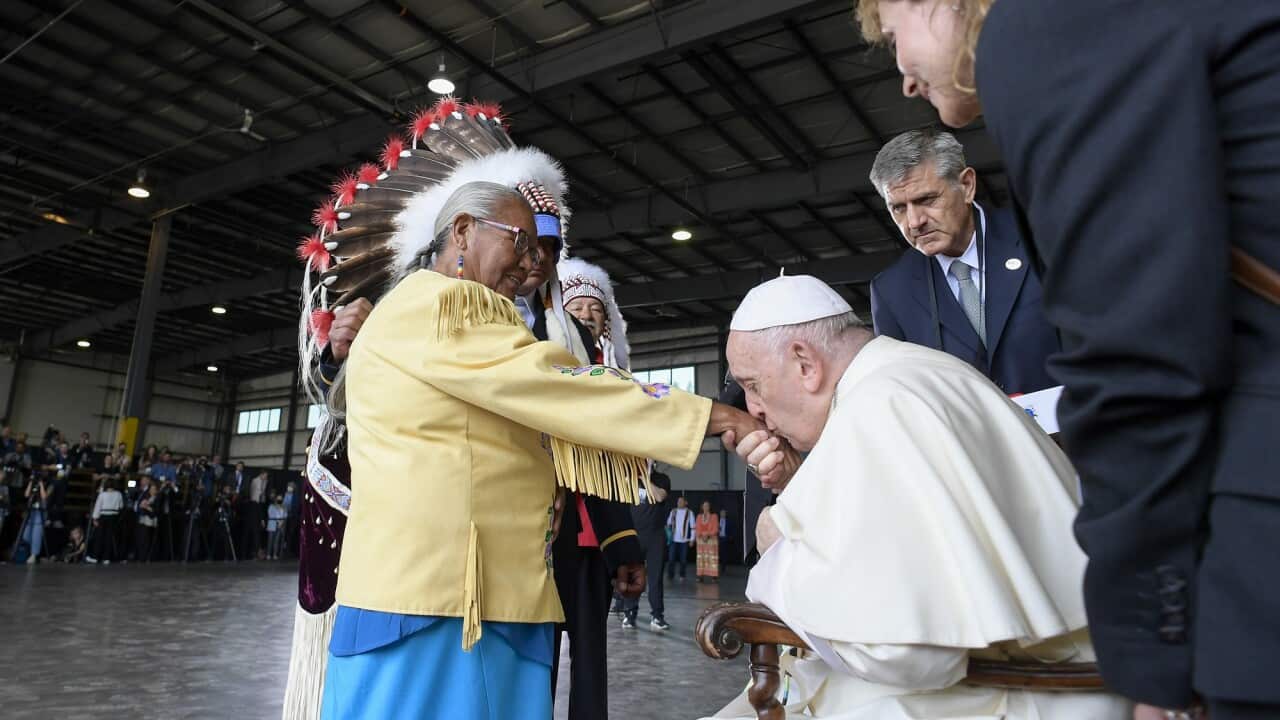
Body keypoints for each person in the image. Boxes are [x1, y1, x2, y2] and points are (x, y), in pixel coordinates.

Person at [857, 2, 1280, 717]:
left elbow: (1142, 355)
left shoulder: (1051, 26)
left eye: (893, 35)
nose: (901, 74)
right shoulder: (893, 288)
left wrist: (1151, 660)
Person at [316, 166, 758, 719]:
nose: (532, 264)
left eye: (542, 250)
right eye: (521, 243)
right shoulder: (443, 307)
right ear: (461, 230)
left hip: (469, 598)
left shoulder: (437, 313)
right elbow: (557, 387)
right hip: (446, 608)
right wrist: (709, 416)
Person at [706, 274, 1128, 719]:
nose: (753, 408)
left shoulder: (880, 407)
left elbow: (903, 653)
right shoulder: (917, 373)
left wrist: (779, 551)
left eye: (754, 385)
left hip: (1018, 696)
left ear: (805, 364)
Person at [868, 128, 1057, 395]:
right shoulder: (891, 291)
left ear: (967, 186)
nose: (914, 222)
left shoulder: (1040, 238)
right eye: (898, 208)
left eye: (926, 199)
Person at [546, 257, 645, 720]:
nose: (586, 314)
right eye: (576, 306)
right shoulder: (544, 367)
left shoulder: (617, 381)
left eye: (595, 309)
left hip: (596, 541)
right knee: (537, 656)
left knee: (590, 656)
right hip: (545, 536)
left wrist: (625, 546)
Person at [623, 466, 672, 631]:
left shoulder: (662, 479)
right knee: (632, 575)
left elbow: (659, 496)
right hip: (634, 535)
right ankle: (629, 613)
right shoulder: (629, 479)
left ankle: (657, 616)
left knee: (655, 577)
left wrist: (645, 477)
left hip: (655, 537)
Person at [87, 477, 123, 565]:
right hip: (113, 516)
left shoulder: (102, 494)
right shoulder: (118, 494)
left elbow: (97, 507)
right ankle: (106, 558)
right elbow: (121, 506)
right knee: (109, 537)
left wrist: (95, 518)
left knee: (99, 537)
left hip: (103, 516)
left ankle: (95, 557)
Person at [18, 473, 50, 563]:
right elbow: (26, 494)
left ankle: (34, 555)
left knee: (37, 533)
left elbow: (44, 497)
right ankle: (29, 551)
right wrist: (31, 482)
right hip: (30, 511)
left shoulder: (48, 485)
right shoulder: (32, 485)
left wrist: (41, 484)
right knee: (26, 534)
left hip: (40, 511)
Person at [666, 496, 695, 581]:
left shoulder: (689, 513)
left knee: (683, 560)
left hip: (684, 540)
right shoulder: (673, 511)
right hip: (673, 540)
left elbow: (693, 526)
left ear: (686, 503)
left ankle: (682, 575)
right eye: (678, 501)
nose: (679, 503)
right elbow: (668, 523)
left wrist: (692, 539)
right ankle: (670, 575)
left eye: (681, 501)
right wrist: (670, 520)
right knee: (671, 559)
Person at [134, 483, 159, 562]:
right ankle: (140, 556)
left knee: (147, 540)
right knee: (141, 539)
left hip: (151, 522)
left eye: (154, 489)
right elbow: (140, 506)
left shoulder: (157, 498)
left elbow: (155, 511)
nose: (152, 491)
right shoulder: (146, 497)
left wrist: (147, 507)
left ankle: (146, 557)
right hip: (142, 520)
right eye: (151, 489)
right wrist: (145, 507)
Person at [695, 501, 719, 583]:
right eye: (704, 506)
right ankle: (700, 575)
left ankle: (713, 576)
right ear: (702, 507)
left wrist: (708, 535)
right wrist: (702, 535)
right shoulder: (699, 517)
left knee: (711, 558)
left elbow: (715, 528)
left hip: (711, 541)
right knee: (701, 559)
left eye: (707, 506)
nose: (705, 507)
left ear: (709, 507)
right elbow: (697, 528)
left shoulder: (714, 516)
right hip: (701, 541)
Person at [267, 495, 288, 560]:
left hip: (280, 526)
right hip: (272, 525)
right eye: (278, 499)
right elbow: (271, 514)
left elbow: (285, 515)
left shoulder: (284, 507)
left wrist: (281, 522)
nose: (279, 500)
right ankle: (268, 554)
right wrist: (278, 521)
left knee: (277, 541)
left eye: (281, 499)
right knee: (270, 540)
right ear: (276, 499)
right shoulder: (271, 506)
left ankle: (275, 554)